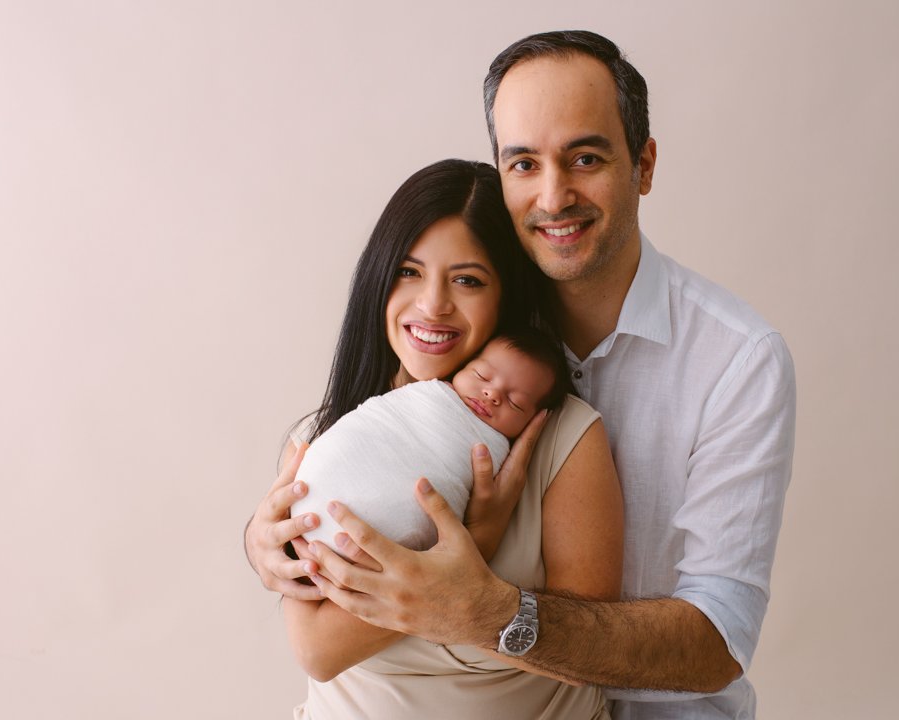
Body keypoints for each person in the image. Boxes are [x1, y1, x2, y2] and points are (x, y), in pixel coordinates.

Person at [287, 31, 797, 720]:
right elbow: (320, 627)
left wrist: (484, 605)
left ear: (643, 165)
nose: (554, 196)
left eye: (586, 157)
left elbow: (716, 641)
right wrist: (270, 544)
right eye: (524, 164)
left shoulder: (737, 362)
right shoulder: (457, 355)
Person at [250, 157, 623, 719]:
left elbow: (598, 654)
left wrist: (474, 588)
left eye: (468, 280)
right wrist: (474, 543)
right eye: (408, 271)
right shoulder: (328, 440)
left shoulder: (563, 438)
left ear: (508, 295)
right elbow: (318, 651)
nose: (432, 304)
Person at [290, 330, 571, 555]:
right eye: (481, 375)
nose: (491, 393)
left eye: (515, 402)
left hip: (387, 546)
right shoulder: (427, 394)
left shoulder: (508, 451)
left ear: (534, 421)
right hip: (309, 508)